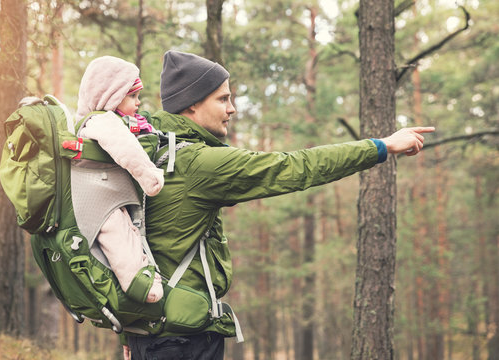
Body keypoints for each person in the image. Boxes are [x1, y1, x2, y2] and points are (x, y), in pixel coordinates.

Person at [122, 50, 434, 360]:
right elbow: (295, 166)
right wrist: (381, 146)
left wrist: (130, 330)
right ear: (192, 102)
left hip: (151, 332)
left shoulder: (147, 153)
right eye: (222, 99)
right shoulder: (198, 163)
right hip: (182, 341)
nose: (231, 109)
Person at [74, 56, 164, 304]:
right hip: (98, 198)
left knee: (125, 234)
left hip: (105, 192)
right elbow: (127, 150)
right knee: (118, 236)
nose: (138, 103)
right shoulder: (102, 121)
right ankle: (140, 284)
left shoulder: (107, 122)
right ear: (111, 96)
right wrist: (150, 176)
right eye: (132, 96)